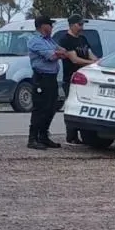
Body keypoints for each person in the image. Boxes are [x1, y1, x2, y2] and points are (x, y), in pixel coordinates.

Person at [26, 15, 68, 150]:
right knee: (40, 108)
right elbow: (52, 56)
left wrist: (59, 53)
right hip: (41, 78)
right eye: (50, 24)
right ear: (43, 26)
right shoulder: (35, 41)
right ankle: (32, 139)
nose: (51, 27)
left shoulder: (50, 40)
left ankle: (43, 136)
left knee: (52, 107)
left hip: (51, 78)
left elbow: (63, 51)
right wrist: (58, 54)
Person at [58, 14, 99, 144]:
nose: (82, 27)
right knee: (72, 105)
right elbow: (74, 59)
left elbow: (91, 54)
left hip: (86, 79)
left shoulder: (83, 39)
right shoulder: (65, 40)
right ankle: (71, 136)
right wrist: (90, 62)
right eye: (79, 24)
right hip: (71, 78)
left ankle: (85, 134)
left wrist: (97, 61)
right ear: (71, 25)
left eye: (82, 24)